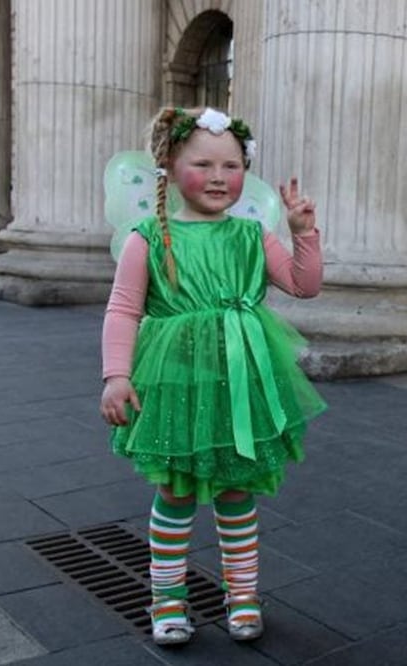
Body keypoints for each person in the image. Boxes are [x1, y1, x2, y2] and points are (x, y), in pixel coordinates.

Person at [99, 106, 326, 646]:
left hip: (240, 385)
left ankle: (242, 594)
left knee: (236, 492)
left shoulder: (252, 235)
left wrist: (304, 234)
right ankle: (166, 598)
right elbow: (123, 310)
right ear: (170, 168)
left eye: (232, 165)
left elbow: (304, 285)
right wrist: (116, 375)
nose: (220, 177)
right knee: (176, 492)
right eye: (203, 164)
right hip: (176, 385)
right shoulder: (147, 238)